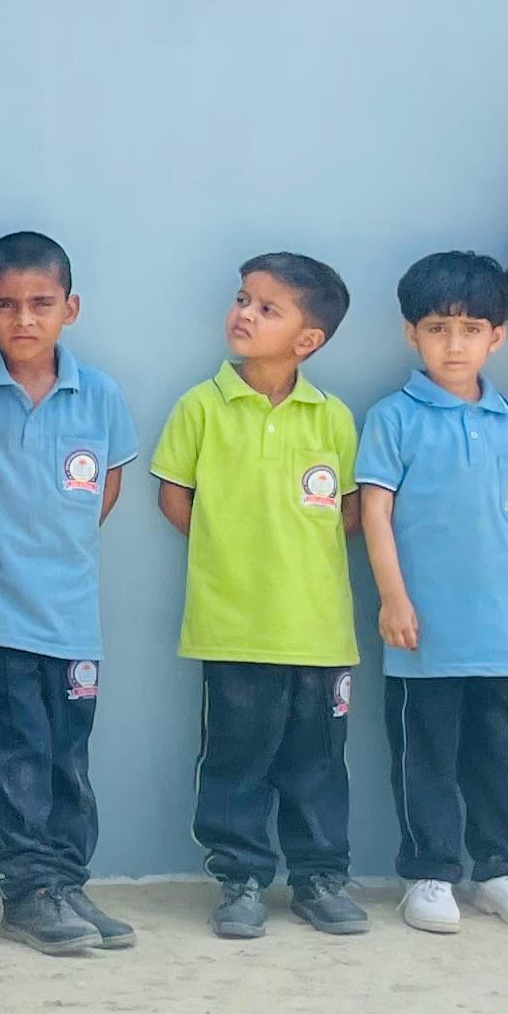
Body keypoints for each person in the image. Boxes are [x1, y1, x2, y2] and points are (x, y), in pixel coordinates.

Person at [152, 254, 367, 940]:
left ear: (308, 340)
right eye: (243, 299)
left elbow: (352, 510)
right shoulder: (201, 406)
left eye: (267, 308)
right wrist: (230, 551)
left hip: (319, 630)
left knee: (318, 763)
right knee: (235, 761)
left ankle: (319, 878)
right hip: (233, 625)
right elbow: (174, 496)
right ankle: (240, 877)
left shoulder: (332, 417)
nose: (244, 314)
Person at [358, 249, 508, 936]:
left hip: (505, 633)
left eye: (471, 329)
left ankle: (502, 871)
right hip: (425, 635)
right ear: (411, 334)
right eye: (438, 328)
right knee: (426, 759)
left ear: (496, 338)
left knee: (500, 759)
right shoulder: (393, 417)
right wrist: (393, 598)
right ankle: (429, 874)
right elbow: (375, 512)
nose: (455, 344)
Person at [0, 232, 141, 956]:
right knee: (16, 759)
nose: (24, 319)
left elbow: (105, 490)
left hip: (73, 621)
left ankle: (66, 882)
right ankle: (29, 892)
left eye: (41, 303)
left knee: (68, 760)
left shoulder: (100, 395)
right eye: (5, 305)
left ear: (71, 307)